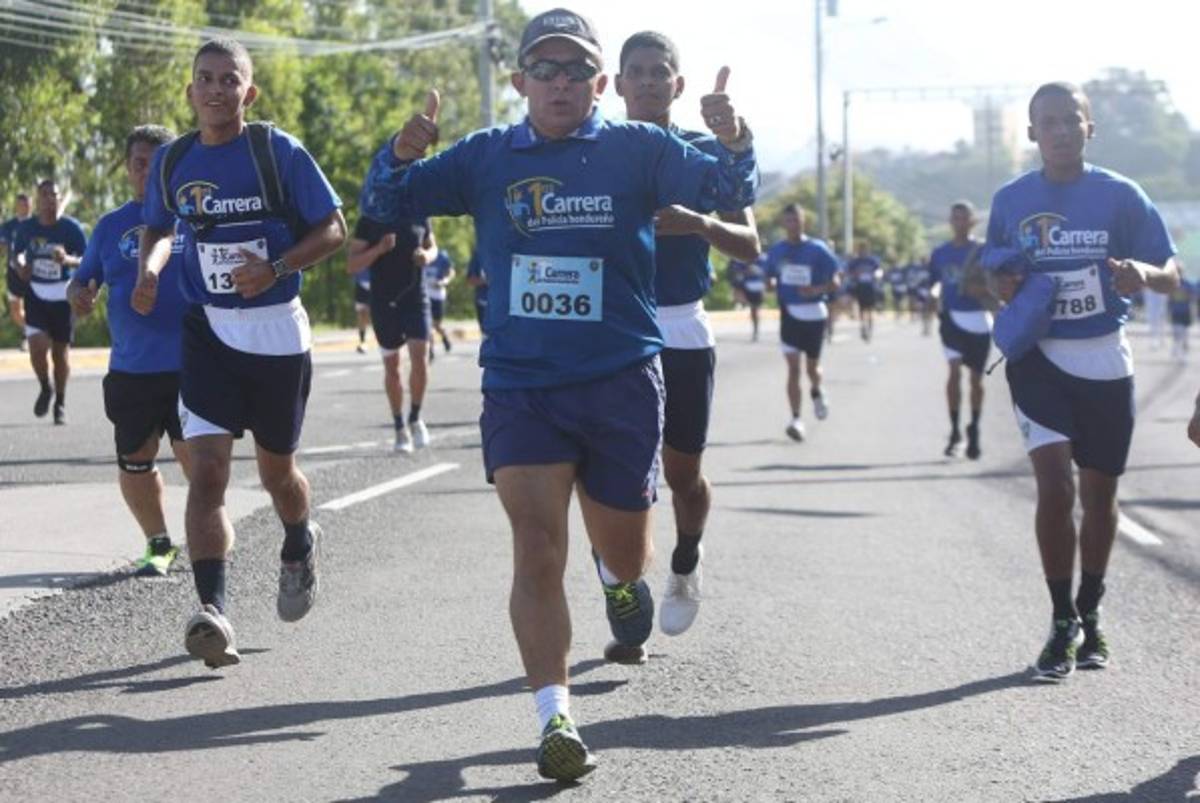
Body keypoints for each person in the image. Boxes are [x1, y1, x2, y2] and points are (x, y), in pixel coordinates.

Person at [360, 6, 757, 781]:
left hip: (620, 385)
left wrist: (735, 134)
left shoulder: (637, 147)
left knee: (626, 551)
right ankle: (556, 718)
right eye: (545, 68)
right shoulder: (484, 157)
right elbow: (385, 206)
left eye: (577, 69)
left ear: (600, 83)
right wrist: (398, 153)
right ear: (520, 83)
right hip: (523, 387)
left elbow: (727, 185)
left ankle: (619, 583)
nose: (561, 82)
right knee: (536, 548)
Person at [135, 38, 346, 669]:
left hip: (277, 329)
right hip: (208, 331)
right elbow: (158, 226)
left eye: (230, 80)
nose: (217, 89)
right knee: (209, 473)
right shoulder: (173, 161)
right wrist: (150, 268)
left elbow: (333, 228)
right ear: (190, 90)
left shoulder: (276, 152)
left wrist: (277, 265)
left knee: (277, 472)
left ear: (247, 93)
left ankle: (298, 538)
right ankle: (214, 612)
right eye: (206, 78)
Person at [983, 82, 1178, 682]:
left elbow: (1172, 274)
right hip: (1038, 360)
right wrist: (1005, 286)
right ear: (1031, 132)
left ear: (1090, 128)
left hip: (1103, 361)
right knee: (1054, 488)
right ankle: (1061, 621)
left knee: (1099, 496)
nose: (1061, 130)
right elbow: (992, 271)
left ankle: (1091, 613)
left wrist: (1141, 273)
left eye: (1072, 120)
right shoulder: (1012, 199)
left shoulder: (1121, 196)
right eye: (1049, 121)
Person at [616, 30, 761, 638]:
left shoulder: (705, 154)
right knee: (619, 479)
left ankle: (685, 559)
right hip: (614, 331)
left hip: (681, 328)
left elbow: (750, 246)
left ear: (677, 84)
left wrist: (697, 222)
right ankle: (624, 594)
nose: (649, 81)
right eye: (637, 72)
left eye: (660, 72)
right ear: (616, 85)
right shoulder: (593, 152)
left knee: (681, 475)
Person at [68, 125, 192, 576]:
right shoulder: (108, 226)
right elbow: (82, 280)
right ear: (128, 168)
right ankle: (159, 543)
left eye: (158, 163)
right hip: (132, 369)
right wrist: (79, 295)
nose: (148, 171)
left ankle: (209, 543)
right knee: (136, 461)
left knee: (199, 463)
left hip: (192, 367)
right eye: (140, 162)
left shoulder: (195, 217)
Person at [346, 212, 437, 452]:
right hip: (384, 302)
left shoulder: (420, 211)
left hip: (416, 298)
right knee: (393, 367)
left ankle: (415, 417)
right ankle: (399, 427)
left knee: (420, 357)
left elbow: (433, 246)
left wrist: (426, 256)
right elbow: (352, 264)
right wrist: (378, 249)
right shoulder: (369, 220)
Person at [761, 204, 839, 442]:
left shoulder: (818, 249)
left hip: (814, 313)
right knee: (793, 369)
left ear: (804, 221)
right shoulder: (776, 251)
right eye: (788, 221)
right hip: (789, 313)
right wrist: (770, 285)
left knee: (812, 369)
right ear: (783, 224)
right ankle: (796, 419)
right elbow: (769, 279)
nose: (793, 225)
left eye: (796, 220)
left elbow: (835, 280)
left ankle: (817, 390)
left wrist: (816, 289)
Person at [12, 180, 87, 425]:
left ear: (58, 198)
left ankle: (61, 402)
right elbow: (17, 254)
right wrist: (21, 266)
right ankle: (46, 387)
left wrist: (67, 259)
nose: (49, 199)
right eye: (44, 195)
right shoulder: (28, 228)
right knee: (36, 347)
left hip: (63, 295)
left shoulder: (71, 228)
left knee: (60, 354)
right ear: (38, 199)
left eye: (53, 195)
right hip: (36, 293)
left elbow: (87, 260)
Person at [929, 201, 992, 459]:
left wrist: (985, 291)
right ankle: (955, 430)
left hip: (978, 319)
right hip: (951, 319)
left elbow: (998, 286)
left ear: (973, 221)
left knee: (976, 380)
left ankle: (974, 428)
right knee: (953, 372)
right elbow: (934, 282)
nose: (960, 222)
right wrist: (933, 296)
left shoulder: (984, 251)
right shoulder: (940, 253)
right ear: (950, 221)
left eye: (964, 218)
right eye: (955, 218)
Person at [2, 193, 32, 350]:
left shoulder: (37, 224)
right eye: (22, 205)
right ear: (17, 206)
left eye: (27, 205)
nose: (25, 208)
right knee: (15, 311)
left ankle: (30, 338)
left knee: (33, 308)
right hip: (14, 273)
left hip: (34, 273)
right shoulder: (8, 226)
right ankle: (30, 332)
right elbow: (2, 248)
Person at [845, 243, 882, 341]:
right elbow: (849, 272)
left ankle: (870, 327)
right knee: (861, 309)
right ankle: (863, 326)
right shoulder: (855, 262)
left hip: (870, 287)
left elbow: (879, 271)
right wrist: (855, 275)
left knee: (870, 309)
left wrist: (877, 275)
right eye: (861, 250)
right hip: (860, 287)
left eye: (864, 249)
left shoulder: (872, 260)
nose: (863, 251)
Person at [424, 247, 455, 357]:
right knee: (427, 324)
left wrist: (444, 281)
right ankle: (430, 350)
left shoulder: (441, 255)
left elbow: (451, 271)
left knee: (437, 325)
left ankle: (445, 337)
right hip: (424, 294)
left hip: (438, 295)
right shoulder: (420, 254)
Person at [1168, 277, 1193, 360]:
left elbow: (1192, 297)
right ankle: (1177, 350)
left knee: (1185, 335)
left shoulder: (1187, 284)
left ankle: (1183, 353)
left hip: (1185, 312)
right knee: (1177, 333)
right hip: (1176, 312)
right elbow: (1170, 299)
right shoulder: (1172, 284)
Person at [465, 251, 488, 332]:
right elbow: (470, 280)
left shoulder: (506, 251)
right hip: (483, 302)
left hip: (504, 304)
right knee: (486, 334)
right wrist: (487, 281)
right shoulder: (478, 255)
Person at [352, 268, 371, 354]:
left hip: (376, 283)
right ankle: (363, 341)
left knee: (369, 314)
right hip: (361, 285)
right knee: (361, 313)